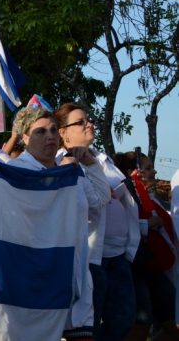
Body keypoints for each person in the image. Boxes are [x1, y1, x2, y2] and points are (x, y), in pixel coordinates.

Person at [7, 105, 110, 341]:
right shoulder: (15, 172)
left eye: (53, 130)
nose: (50, 136)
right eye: (41, 132)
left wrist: (91, 164)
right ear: (24, 137)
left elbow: (101, 199)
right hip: (35, 273)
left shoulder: (70, 170)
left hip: (74, 268)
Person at [55, 103, 138, 341]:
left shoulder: (102, 158)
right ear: (63, 132)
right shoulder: (63, 162)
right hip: (91, 257)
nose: (88, 124)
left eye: (88, 119)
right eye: (80, 122)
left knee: (124, 320)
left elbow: (124, 198)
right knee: (93, 325)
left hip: (119, 254)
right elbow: (98, 200)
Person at [120, 150, 179, 341]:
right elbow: (122, 227)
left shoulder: (151, 199)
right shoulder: (125, 197)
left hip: (156, 269)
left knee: (171, 326)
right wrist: (146, 225)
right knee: (140, 326)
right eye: (147, 168)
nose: (154, 172)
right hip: (137, 268)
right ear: (133, 173)